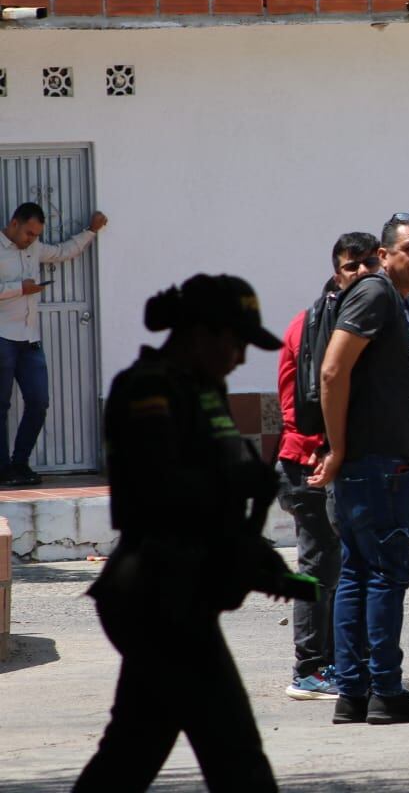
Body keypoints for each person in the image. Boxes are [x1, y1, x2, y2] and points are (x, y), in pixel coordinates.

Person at [75, 274, 283, 793]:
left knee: (132, 751)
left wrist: (254, 550)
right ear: (198, 333)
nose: (239, 358)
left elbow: (216, 500)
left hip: (182, 589)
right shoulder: (148, 388)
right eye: (234, 342)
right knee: (237, 759)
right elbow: (158, 488)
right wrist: (235, 482)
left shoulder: (203, 390)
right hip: (157, 594)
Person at [308, 213, 409, 725]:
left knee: (360, 575)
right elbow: (333, 370)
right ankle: (383, 690)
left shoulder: (392, 302)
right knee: (384, 576)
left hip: (378, 464)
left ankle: (355, 693)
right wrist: (337, 449)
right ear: (384, 255)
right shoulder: (376, 294)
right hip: (372, 466)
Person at [277, 231, 378, 700]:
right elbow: (300, 400)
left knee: (337, 569)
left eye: (366, 265)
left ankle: (336, 663)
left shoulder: (343, 318)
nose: (358, 273)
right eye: (349, 266)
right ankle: (310, 668)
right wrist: (325, 447)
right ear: (335, 272)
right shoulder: (318, 323)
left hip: (326, 460)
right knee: (317, 569)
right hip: (311, 462)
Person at [0, 202, 108, 486]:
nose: (32, 239)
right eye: (28, 233)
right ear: (14, 224)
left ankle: (20, 464)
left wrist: (90, 232)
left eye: (36, 235)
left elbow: (62, 252)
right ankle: (3, 470)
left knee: (38, 402)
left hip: (30, 339)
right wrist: (19, 289)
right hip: (2, 337)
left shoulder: (35, 248)